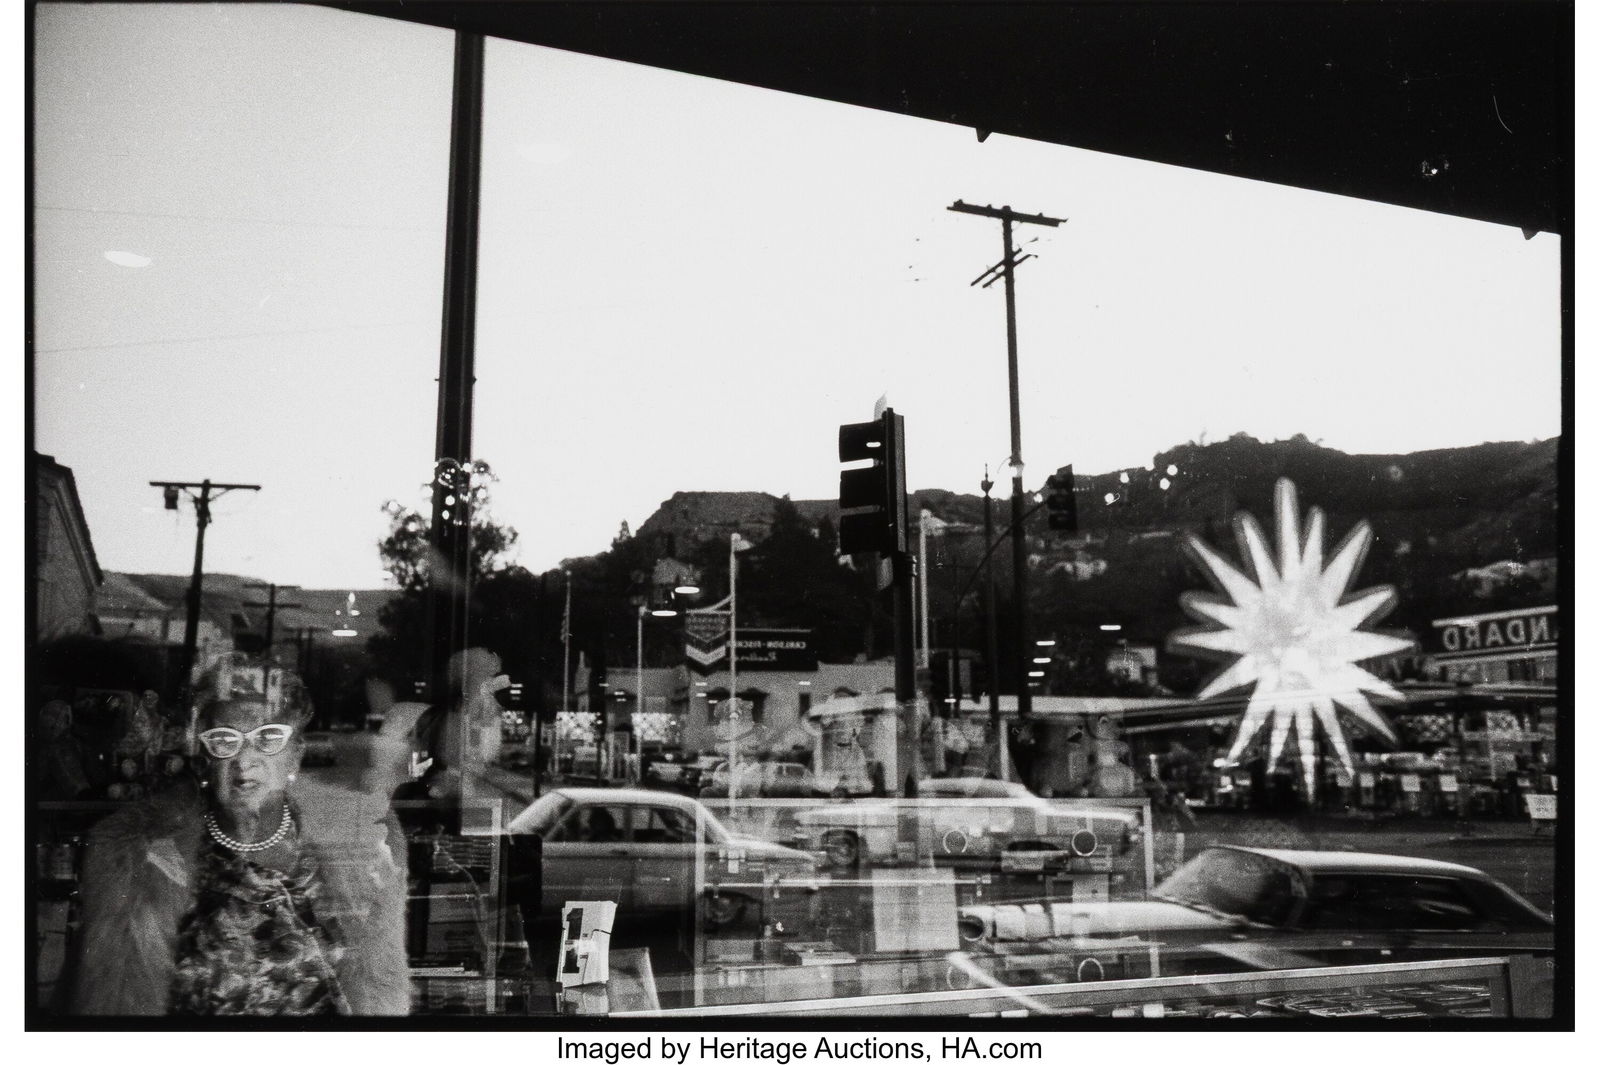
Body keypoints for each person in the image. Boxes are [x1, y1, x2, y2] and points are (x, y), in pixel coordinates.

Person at [72, 653, 409, 1015]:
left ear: (295, 756)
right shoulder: (146, 856)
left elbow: (376, 988)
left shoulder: (350, 845)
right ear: (204, 757)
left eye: (267, 738)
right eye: (224, 740)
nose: (245, 760)